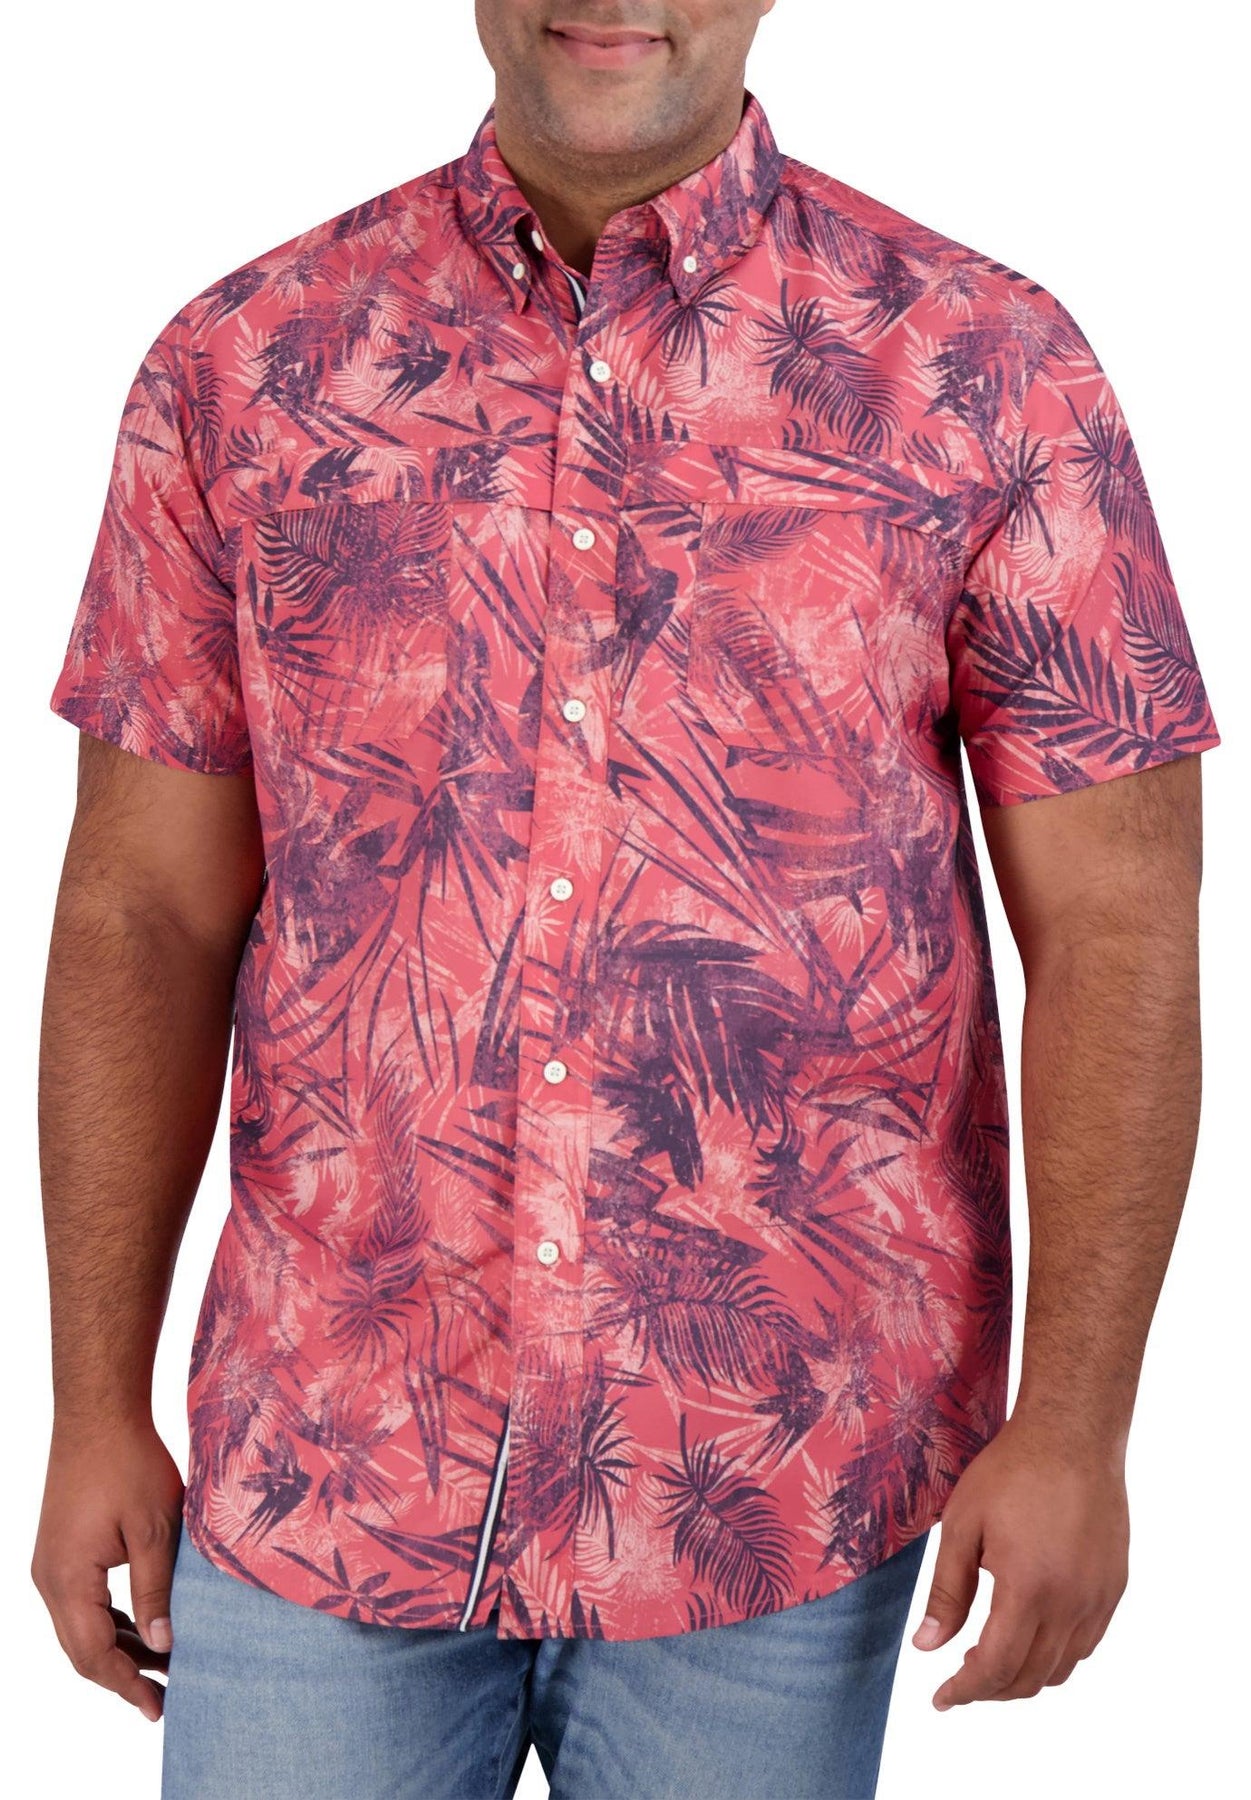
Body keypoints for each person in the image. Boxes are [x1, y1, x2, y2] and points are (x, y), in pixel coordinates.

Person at [32, 2, 1221, 1796]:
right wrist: (89, 1404)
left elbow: (1119, 924)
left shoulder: (986, 368)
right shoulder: (248, 363)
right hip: (331, 1452)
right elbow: (145, 912)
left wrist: (1079, 1425)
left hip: (775, 1479)